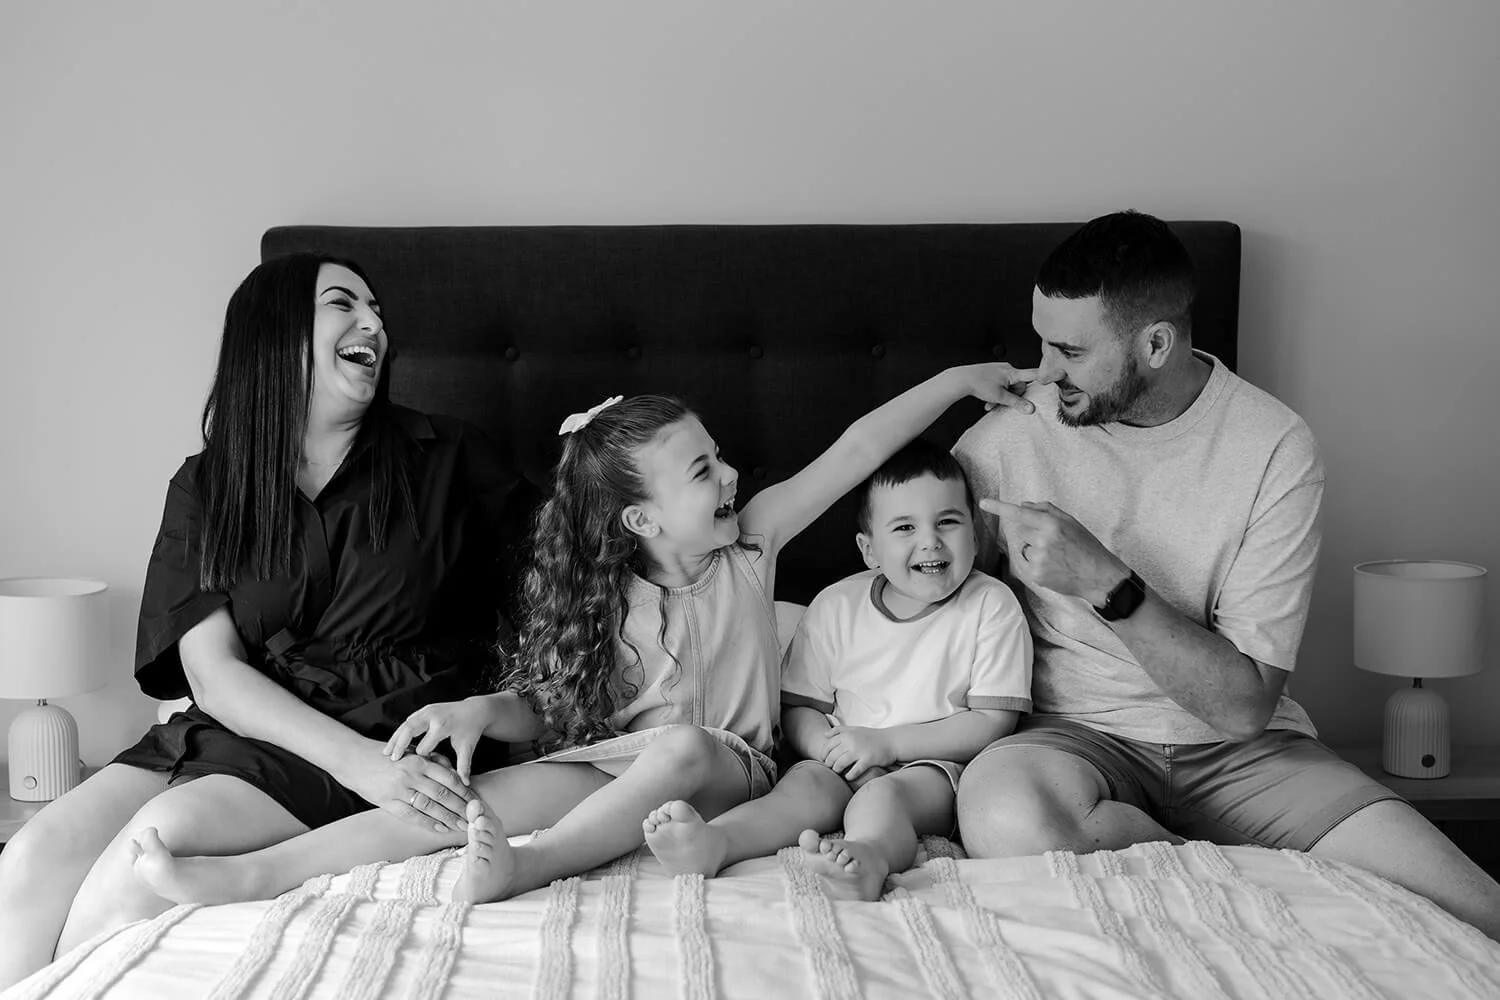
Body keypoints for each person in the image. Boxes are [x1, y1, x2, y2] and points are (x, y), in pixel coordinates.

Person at [128, 365, 1038, 906]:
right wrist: (481, 709)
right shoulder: (609, 602)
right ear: (641, 520)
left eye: (719, 457)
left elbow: (856, 449)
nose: (730, 475)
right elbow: (553, 709)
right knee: (455, 802)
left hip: (734, 767)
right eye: (703, 470)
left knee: (682, 746)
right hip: (617, 764)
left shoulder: (752, 548)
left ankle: (533, 869)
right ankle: (260, 875)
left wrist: (957, 383)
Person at [952, 210, 1500, 940]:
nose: (1045, 371)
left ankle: (1231, 885)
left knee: (1476, 908)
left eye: (1070, 351)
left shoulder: (1273, 448)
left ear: (1155, 344)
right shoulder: (1011, 434)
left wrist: (1105, 583)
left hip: (1246, 753)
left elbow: (1243, 709)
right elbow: (913, 579)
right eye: (1043, 341)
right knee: (1002, 818)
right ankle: (1240, 891)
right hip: (1073, 742)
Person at [0, 252, 539, 988]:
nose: (374, 323)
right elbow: (211, 673)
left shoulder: (450, 459)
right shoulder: (209, 483)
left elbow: (569, 585)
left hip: (385, 732)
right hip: (244, 728)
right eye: (344, 304)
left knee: (143, 865)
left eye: (378, 311)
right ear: (276, 333)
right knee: (27, 860)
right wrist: (351, 763)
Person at [639, 439, 1032, 901]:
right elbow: (799, 708)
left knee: (882, 798)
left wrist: (886, 745)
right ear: (869, 549)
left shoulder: (991, 605)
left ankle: (868, 858)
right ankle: (716, 842)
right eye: (905, 527)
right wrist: (830, 751)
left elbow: (992, 721)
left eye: (948, 521)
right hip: (843, 755)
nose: (930, 540)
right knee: (800, 789)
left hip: (936, 766)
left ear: (976, 535)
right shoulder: (837, 605)